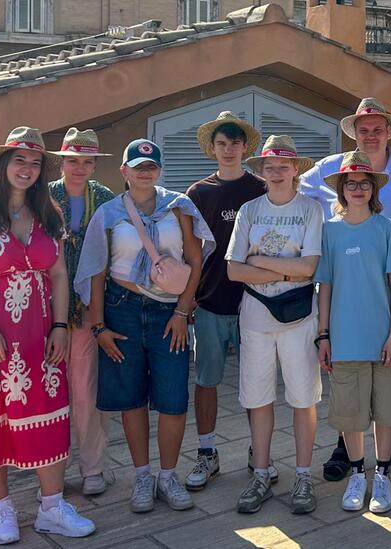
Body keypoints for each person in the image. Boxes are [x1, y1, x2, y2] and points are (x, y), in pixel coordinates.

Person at [0, 127, 95, 544]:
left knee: (46, 413)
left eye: (34, 162)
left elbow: (59, 273)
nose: (26, 168)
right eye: (18, 159)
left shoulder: (49, 213)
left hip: (39, 335)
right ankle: (2, 509)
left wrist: (61, 325)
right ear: (3, 162)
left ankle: (51, 507)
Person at [74, 139, 214, 516]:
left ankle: (168, 476)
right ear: (124, 171)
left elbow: (195, 259)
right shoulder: (108, 214)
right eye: (137, 166)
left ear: (159, 171)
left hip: (170, 311)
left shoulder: (179, 206)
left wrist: (183, 311)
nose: (144, 172)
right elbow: (98, 271)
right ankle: (142, 475)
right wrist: (99, 326)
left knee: (172, 398)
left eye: (151, 166)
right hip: (122, 310)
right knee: (131, 397)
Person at [300, 96, 391, 481]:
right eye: (363, 129)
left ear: (388, 133)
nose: (371, 135)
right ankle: (348, 453)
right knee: (350, 385)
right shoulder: (329, 170)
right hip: (348, 291)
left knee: (390, 385)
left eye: (377, 129)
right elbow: (295, 189)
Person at [225, 135, 324, 516]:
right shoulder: (250, 210)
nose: (277, 172)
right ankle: (262, 473)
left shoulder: (310, 210)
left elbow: (309, 268)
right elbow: (233, 269)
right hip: (255, 314)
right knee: (258, 397)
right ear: (261, 171)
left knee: (303, 398)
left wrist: (260, 260)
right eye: (270, 166)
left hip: (298, 314)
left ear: (296, 168)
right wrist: (286, 267)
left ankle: (302, 474)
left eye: (284, 165)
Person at [316, 151, 391, 514]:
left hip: (383, 338)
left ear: (373, 189)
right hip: (345, 338)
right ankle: (357, 474)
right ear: (341, 189)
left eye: (364, 183)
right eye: (350, 183)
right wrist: (323, 335)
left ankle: (382, 475)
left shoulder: (386, 229)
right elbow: (325, 286)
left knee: (387, 411)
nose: (357, 189)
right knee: (351, 413)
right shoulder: (329, 231)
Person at [183, 111, 267, 492]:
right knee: (207, 380)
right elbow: (190, 253)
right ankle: (206, 452)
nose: (229, 149)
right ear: (212, 149)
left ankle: (258, 452)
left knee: (256, 383)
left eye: (235, 142)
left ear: (245, 147)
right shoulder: (198, 194)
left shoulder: (262, 189)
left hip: (255, 302)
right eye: (222, 143)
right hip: (210, 301)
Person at [47, 127, 117, 497]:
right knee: (47, 393)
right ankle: (50, 468)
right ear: (62, 161)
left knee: (86, 392)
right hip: (44, 312)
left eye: (87, 162)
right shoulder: (42, 198)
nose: (79, 168)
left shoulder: (105, 199)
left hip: (89, 309)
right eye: (73, 161)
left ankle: (92, 468)